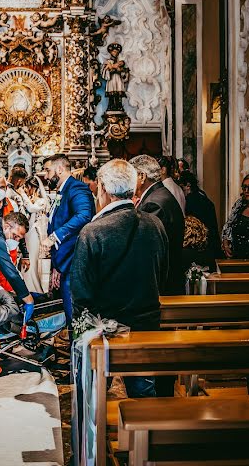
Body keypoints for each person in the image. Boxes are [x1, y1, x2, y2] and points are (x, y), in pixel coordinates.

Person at [71, 159, 166, 398]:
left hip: (105, 330)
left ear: (101, 187)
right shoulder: (154, 224)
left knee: (94, 396)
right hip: (146, 323)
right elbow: (162, 274)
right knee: (144, 392)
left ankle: (98, 435)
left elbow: (81, 291)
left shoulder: (93, 231)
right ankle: (145, 433)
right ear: (133, 189)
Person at [40, 154, 95, 323]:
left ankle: (77, 347)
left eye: (48, 171)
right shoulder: (63, 190)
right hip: (65, 262)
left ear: (60, 169)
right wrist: (57, 266)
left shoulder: (76, 188)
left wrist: (54, 236)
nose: (46, 176)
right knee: (69, 312)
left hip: (74, 261)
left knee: (75, 315)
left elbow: (84, 215)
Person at [130, 155, 184, 295]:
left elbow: (145, 247)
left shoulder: (154, 203)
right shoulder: (159, 194)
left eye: (130, 176)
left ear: (141, 176)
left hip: (162, 283)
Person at [18, 175, 52, 294]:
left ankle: (34, 288)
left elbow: (31, 208)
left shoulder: (42, 201)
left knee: (32, 261)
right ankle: (25, 287)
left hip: (34, 235)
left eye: (27, 187)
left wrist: (22, 194)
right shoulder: (28, 200)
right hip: (26, 234)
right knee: (25, 259)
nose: (26, 190)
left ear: (33, 187)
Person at [177, 170, 220, 256]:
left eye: (181, 187)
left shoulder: (191, 201)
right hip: (210, 242)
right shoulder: (201, 195)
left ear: (188, 186)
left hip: (199, 242)